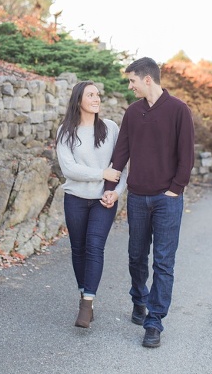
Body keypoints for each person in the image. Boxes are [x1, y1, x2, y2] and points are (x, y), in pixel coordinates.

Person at [103, 57, 195, 349]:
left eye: (131, 80)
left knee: (164, 263)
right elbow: (121, 153)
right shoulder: (132, 113)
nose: (129, 86)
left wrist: (175, 189)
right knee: (135, 256)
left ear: (147, 79)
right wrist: (110, 187)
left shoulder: (179, 110)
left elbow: (187, 155)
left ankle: (154, 322)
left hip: (167, 199)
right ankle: (139, 299)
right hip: (138, 198)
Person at [55, 81, 125, 328]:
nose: (97, 99)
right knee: (78, 248)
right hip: (74, 198)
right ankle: (84, 292)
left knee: (94, 246)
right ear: (79, 100)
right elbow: (69, 169)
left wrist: (116, 192)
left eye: (98, 95)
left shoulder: (110, 128)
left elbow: (122, 164)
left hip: (103, 201)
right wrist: (101, 174)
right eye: (91, 95)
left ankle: (86, 303)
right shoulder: (65, 131)